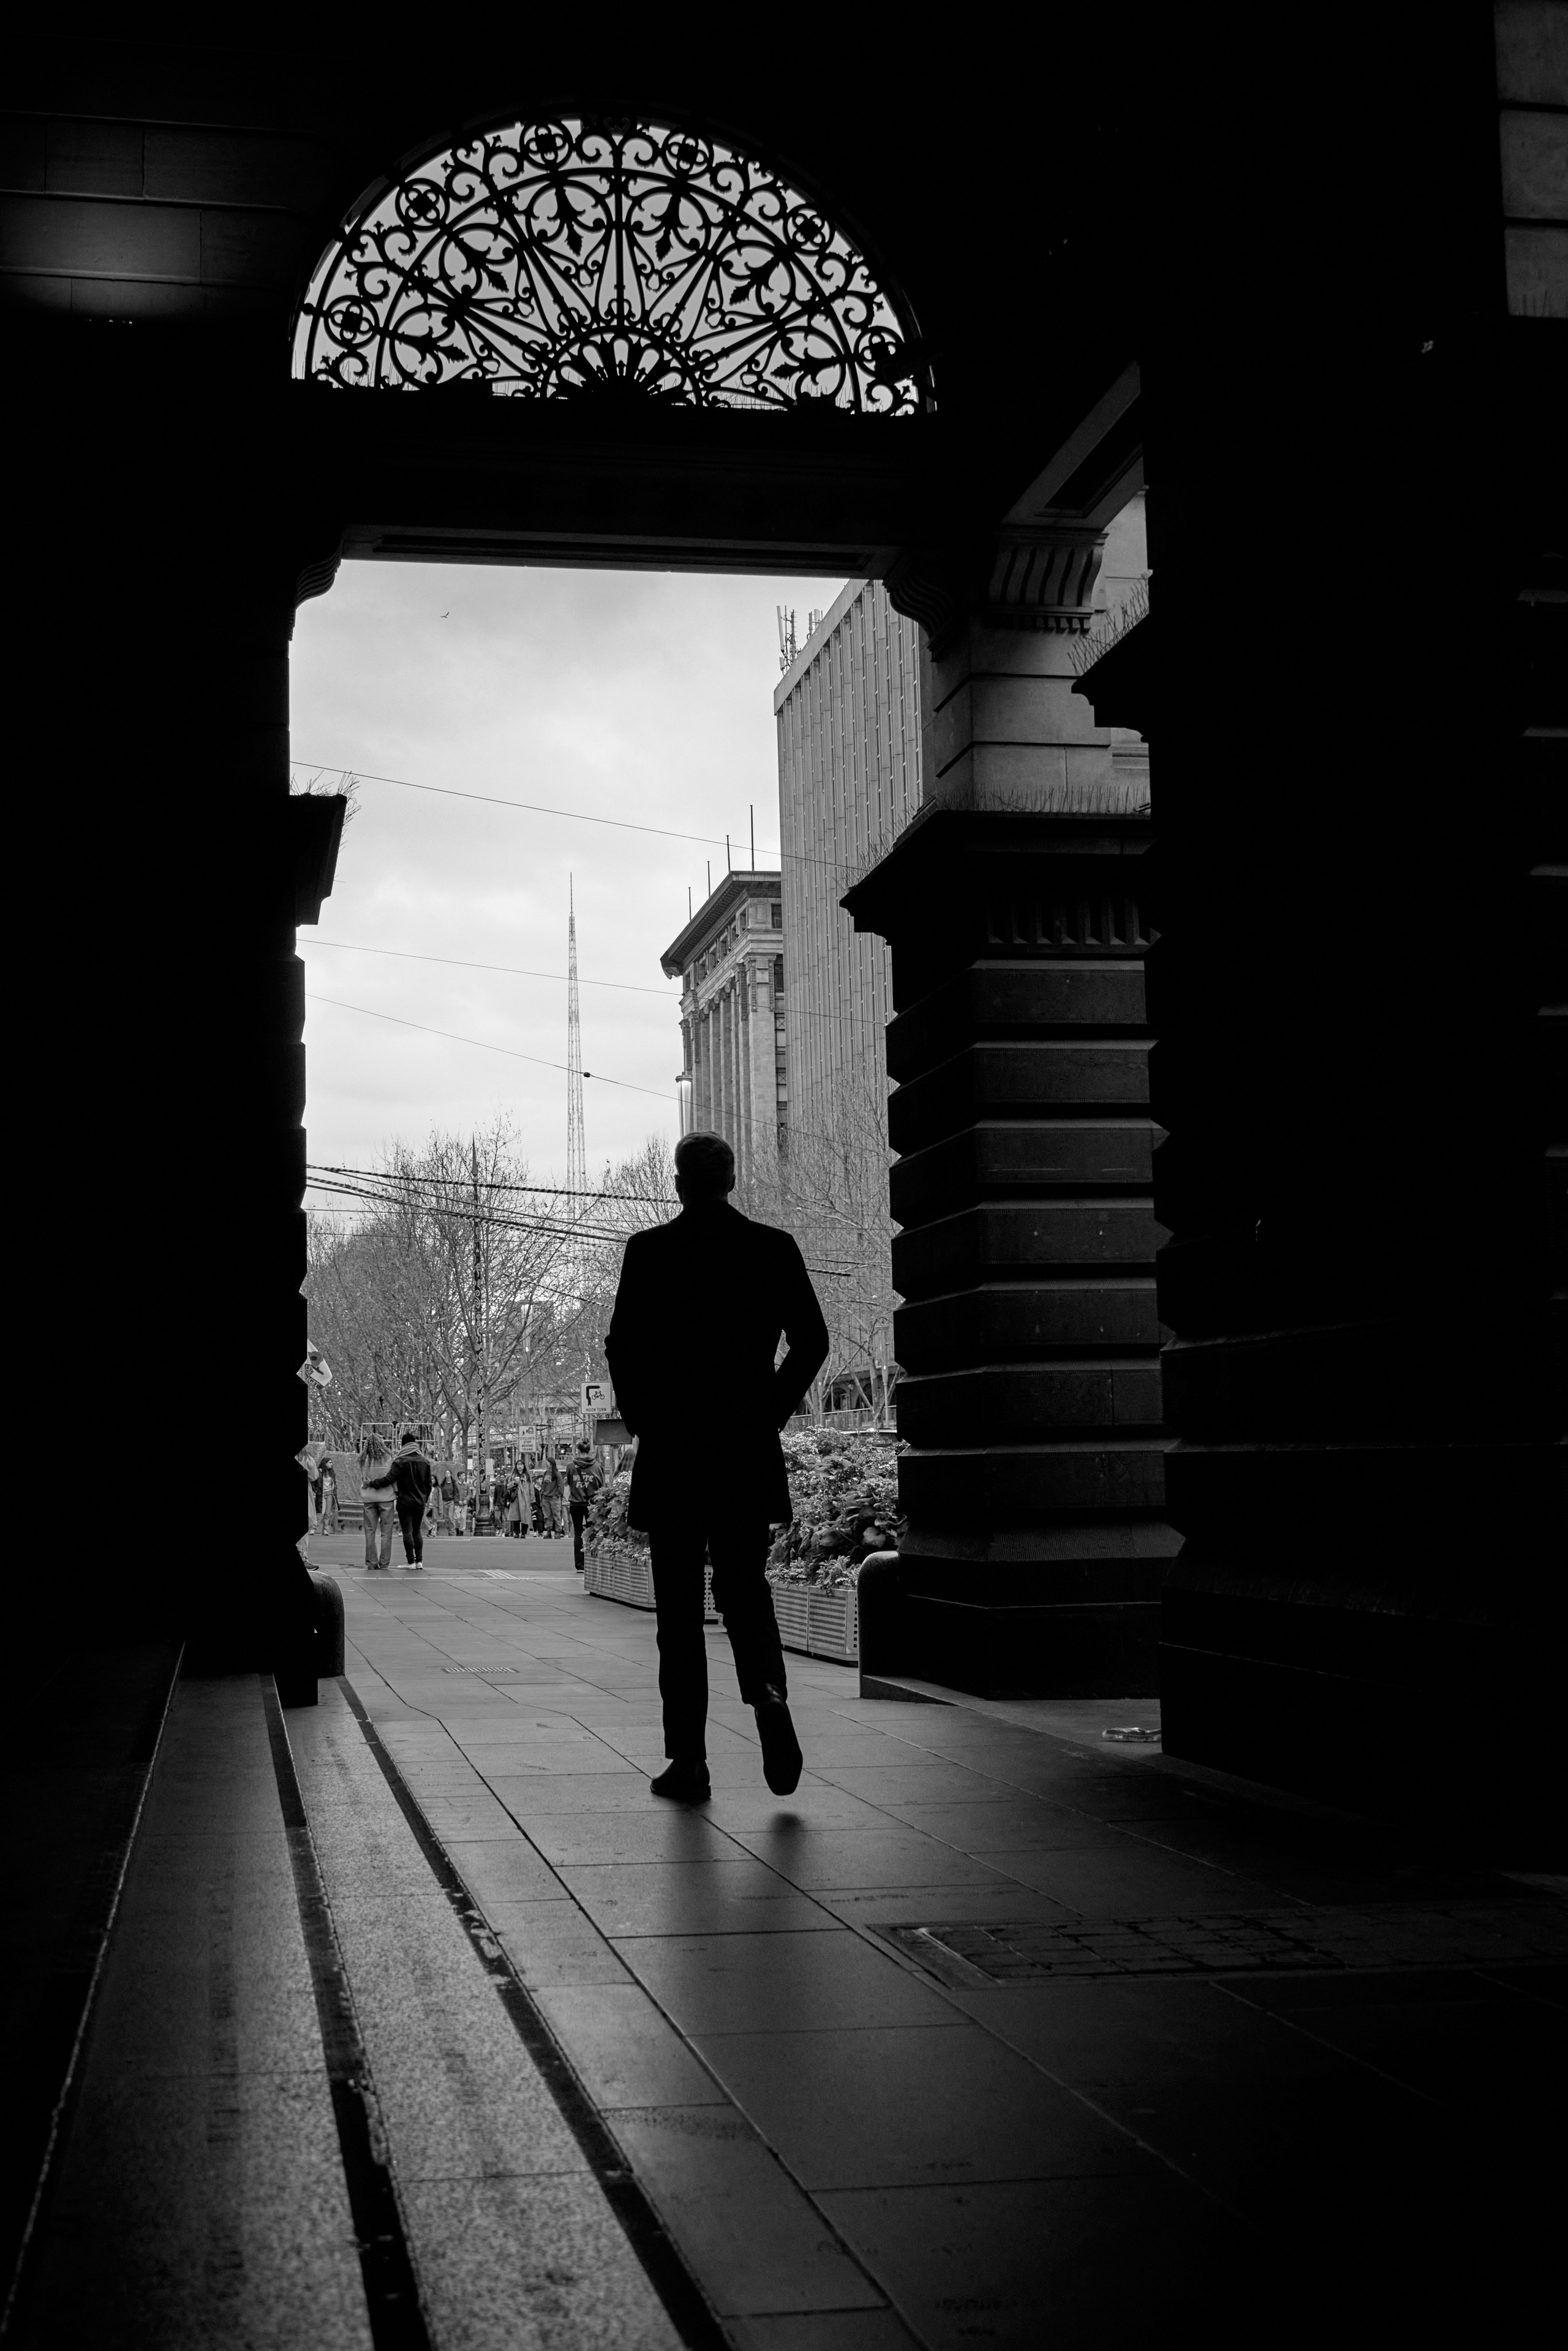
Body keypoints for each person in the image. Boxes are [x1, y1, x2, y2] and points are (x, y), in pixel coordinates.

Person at [606, 1129, 828, 1803]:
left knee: (677, 1613)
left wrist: (645, 1416)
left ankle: (690, 1762)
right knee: (744, 1590)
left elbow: (624, 1346)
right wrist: (767, 1411)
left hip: (675, 1451)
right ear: (731, 1180)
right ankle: (768, 1700)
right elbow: (812, 1340)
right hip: (741, 1448)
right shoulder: (771, 1248)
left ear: (679, 1182)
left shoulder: (650, 1253)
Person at [388, 1427, 435, 1571]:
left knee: (407, 1531)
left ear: (403, 1445)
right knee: (417, 1531)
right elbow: (429, 1485)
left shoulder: (400, 1461)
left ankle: (410, 1561)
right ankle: (419, 1561)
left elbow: (390, 1478)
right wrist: (424, 1498)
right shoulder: (425, 1462)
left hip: (404, 1501)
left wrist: (373, 1483)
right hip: (420, 1502)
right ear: (415, 1444)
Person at [360, 1432, 397, 1572]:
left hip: (369, 1498)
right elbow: (393, 1478)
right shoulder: (389, 1458)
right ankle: (385, 1563)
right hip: (386, 1498)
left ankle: (371, 1562)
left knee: (370, 1532)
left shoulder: (364, 1460)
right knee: (386, 1532)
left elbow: (362, 1479)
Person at [566, 1438, 601, 1573]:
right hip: (591, 1504)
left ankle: (580, 1565)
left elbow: (570, 1482)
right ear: (589, 1450)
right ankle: (591, 1562)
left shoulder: (571, 1466)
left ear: (578, 1451)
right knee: (592, 1532)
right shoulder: (597, 1466)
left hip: (575, 1503)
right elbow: (601, 1486)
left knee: (578, 1534)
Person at [438, 1466, 458, 1536]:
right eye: (446, 1473)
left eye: (448, 1473)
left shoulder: (454, 1483)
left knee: (451, 1517)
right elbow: (440, 1492)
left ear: (451, 1474)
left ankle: (452, 1531)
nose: (447, 1474)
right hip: (444, 1501)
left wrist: (456, 1503)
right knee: (446, 1518)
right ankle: (449, 1530)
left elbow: (456, 1493)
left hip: (451, 1501)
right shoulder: (443, 1484)